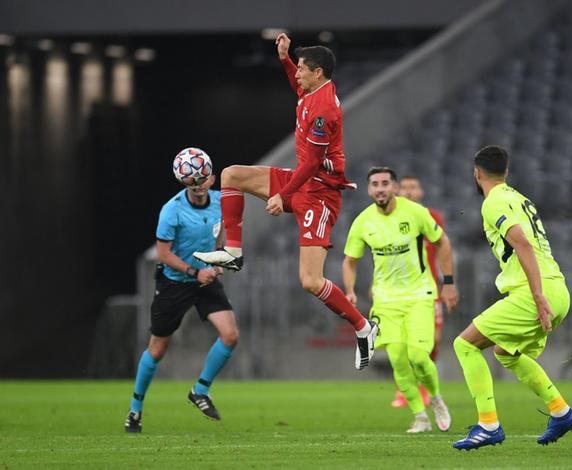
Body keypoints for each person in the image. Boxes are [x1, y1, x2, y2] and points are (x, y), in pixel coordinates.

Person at [193, 33, 379, 370]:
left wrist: (283, 195)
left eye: (301, 69)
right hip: (301, 181)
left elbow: (311, 163)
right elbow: (297, 87)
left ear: (318, 72)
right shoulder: (312, 92)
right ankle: (233, 252)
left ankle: (364, 327)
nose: (297, 75)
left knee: (310, 280)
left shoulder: (324, 110)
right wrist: (284, 58)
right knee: (232, 174)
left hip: (319, 194)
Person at [452, 145, 572, 450]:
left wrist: (536, 296)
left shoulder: (493, 202)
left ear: (477, 173)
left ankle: (488, 425)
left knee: (465, 344)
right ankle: (561, 411)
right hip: (559, 289)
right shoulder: (520, 198)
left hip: (535, 292)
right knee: (504, 352)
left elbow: (521, 243)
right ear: (506, 171)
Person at [342, 167, 459, 433]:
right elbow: (350, 260)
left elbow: (442, 242)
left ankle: (437, 398)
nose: (380, 188)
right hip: (385, 300)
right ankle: (420, 416)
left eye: (385, 183)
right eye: (375, 184)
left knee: (419, 357)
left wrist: (449, 283)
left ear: (394, 187)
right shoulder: (363, 221)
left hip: (419, 295)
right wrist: (349, 290)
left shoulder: (417, 213)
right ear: (369, 190)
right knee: (398, 360)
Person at [125, 164, 239, 433]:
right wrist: (194, 272)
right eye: (193, 180)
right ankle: (135, 410)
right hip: (175, 283)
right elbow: (163, 254)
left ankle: (200, 391)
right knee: (157, 349)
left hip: (204, 281)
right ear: (183, 180)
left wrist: (218, 260)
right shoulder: (172, 210)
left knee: (230, 335)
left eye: (203, 178)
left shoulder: (221, 201)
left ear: (211, 178)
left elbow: (219, 236)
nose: (199, 184)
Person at [391, 175, 447, 409]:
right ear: (397, 191)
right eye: (404, 187)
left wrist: (449, 283)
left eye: (413, 187)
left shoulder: (432, 218)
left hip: (429, 288)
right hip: (397, 290)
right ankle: (405, 390)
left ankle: (424, 386)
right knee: (401, 342)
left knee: (432, 341)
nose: (409, 191)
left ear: (421, 192)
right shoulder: (390, 219)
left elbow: (442, 249)